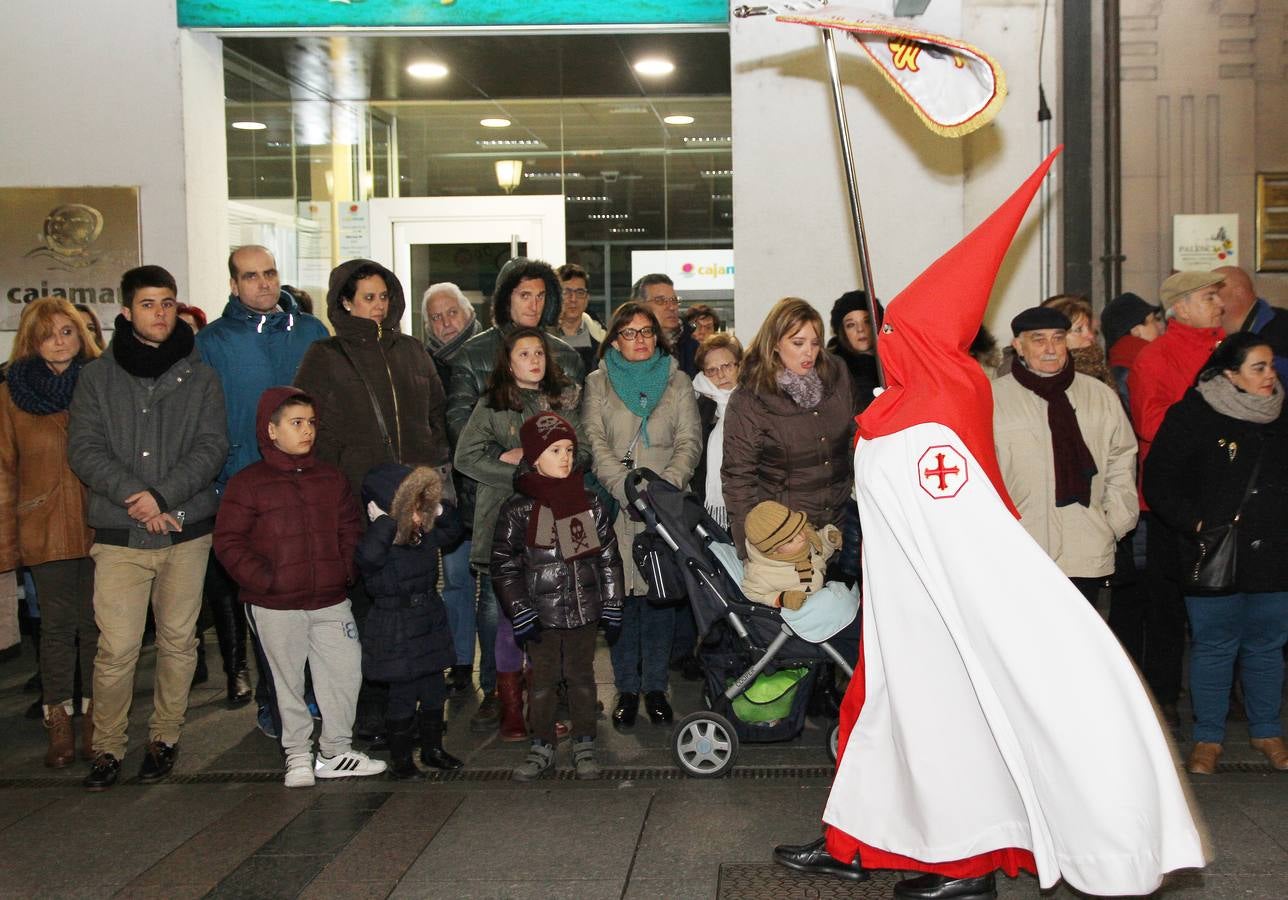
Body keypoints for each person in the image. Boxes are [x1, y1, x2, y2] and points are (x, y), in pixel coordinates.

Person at [774, 153, 1204, 898]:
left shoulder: (933, 411)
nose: (886, 338)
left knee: (949, 723)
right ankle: (857, 839)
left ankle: (966, 866)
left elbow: (944, 508)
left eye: (898, 329)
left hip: (941, 604)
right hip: (902, 596)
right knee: (875, 714)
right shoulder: (922, 398)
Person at [68, 265, 228, 791]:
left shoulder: (199, 373)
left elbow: (211, 448)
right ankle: (108, 747)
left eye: (167, 303)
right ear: (126, 312)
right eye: (148, 304)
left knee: (180, 641)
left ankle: (164, 738)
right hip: (119, 534)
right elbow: (85, 450)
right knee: (117, 648)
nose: (160, 313)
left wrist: (161, 498)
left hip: (184, 530)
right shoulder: (97, 376)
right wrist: (138, 500)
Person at [294, 258, 452, 746]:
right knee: (367, 609)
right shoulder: (324, 356)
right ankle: (370, 709)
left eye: (384, 296)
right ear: (345, 301)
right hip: (358, 502)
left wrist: (435, 484)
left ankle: (414, 706)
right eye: (367, 297)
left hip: (416, 499)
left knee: (416, 599)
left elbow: (436, 419)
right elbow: (314, 434)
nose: (378, 305)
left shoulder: (412, 352)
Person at [214, 387, 384, 787]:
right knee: (285, 681)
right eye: (295, 423)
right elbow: (228, 542)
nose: (306, 431)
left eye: (310, 423)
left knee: (344, 672)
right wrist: (266, 581)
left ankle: (335, 751)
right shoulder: (248, 483)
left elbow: (349, 528)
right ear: (271, 431)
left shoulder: (331, 478)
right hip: (275, 603)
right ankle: (297, 755)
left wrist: (344, 571)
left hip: (330, 598)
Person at [446, 257, 585, 731]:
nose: (534, 303)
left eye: (541, 295)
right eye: (524, 294)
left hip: (558, 515)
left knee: (562, 602)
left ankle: (556, 691)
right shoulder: (479, 370)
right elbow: (465, 448)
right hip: (501, 512)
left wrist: (552, 468)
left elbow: (580, 448)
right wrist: (521, 472)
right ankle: (501, 697)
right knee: (496, 606)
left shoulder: (563, 374)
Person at [1143, 332, 1288, 774]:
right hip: (1216, 552)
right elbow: (1159, 481)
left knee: (1267, 646)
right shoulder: (1193, 414)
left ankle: (1267, 730)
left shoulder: (1283, 413)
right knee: (1214, 645)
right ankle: (1208, 738)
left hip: (1276, 553)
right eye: (1258, 368)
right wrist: (1197, 525)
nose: (1270, 377)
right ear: (1230, 373)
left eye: (1271, 367)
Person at [197, 245, 329, 716]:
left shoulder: (312, 332)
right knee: (267, 606)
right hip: (247, 490)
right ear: (234, 285)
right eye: (250, 276)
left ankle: (318, 700)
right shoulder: (212, 342)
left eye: (269, 272)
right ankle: (275, 707)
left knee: (317, 599)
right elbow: (203, 420)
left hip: (311, 488)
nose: (263, 283)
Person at [582, 302, 701, 729]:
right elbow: (595, 443)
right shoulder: (598, 382)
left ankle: (656, 688)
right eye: (629, 333)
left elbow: (689, 440)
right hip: (618, 507)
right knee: (621, 600)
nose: (640, 340)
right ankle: (626, 689)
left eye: (647, 332)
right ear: (614, 339)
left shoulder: (677, 380)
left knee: (659, 597)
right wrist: (627, 490)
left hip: (665, 508)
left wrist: (661, 491)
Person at [491, 413, 624, 781]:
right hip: (540, 613)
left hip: (583, 608)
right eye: (555, 451)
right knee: (543, 681)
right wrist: (518, 609)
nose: (565, 457)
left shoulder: (588, 503)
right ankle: (542, 744)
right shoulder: (518, 510)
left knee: (582, 677)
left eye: (569, 449)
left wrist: (612, 601)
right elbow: (503, 566)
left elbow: (607, 558)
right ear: (535, 458)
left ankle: (584, 741)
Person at [0, 298, 101, 767]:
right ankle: (58, 717)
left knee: (99, 625)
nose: (59, 341)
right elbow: (4, 471)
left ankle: (97, 717)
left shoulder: (102, 383)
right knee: (59, 627)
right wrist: (7, 542)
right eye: (48, 333)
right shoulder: (10, 394)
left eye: (67, 331)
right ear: (30, 339)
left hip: (102, 520)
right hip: (43, 525)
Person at [1129, 270, 1226, 724]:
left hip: (1225, 496)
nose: (1219, 305)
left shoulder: (1229, 350)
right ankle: (1164, 696)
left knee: (1228, 600)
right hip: (1172, 502)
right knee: (1168, 607)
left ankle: (1228, 698)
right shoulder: (1157, 357)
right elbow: (1150, 424)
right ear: (1181, 307)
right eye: (1209, 297)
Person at [992, 306, 1138, 604]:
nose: (1050, 349)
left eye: (1058, 338)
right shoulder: (992, 399)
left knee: (1085, 648)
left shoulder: (1099, 396)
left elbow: (1122, 458)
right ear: (1018, 345)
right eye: (1038, 339)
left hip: (1087, 546)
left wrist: (1116, 520)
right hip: (1020, 547)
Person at [722, 298, 857, 564]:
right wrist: (750, 550)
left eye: (815, 343)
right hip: (785, 538)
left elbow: (856, 438)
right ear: (774, 344)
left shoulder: (837, 374)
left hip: (839, 527)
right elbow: (739, 478)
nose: (809, 352)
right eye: (798, 343)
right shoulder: (751, 398)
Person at [357, 464, 466, 780]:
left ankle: (433, 749)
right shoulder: (380, 539)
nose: (420, 514)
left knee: (434, 691)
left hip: (427, 619)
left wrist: (436, 506)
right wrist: (386, 523)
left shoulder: (424, 535)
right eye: (414, 507)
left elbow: (454, 529)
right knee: (403, 696)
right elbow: (368, 558)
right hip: (395, 627)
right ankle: (401, 759)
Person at [422, 281, 482, 698]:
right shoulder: (420, 363)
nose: (445, 323)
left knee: (497, 586)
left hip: (488, 482)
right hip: (447, 489)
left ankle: (501, 676)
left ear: (467, 313)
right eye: (436, 317)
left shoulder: (487, 353)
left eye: (452, 313)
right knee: (457, 580)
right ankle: (461, 663)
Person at [740, 500, 842, 609]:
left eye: (799, 530)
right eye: (790, 540)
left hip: (823, 592)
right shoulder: (761, 574)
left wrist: (828, 540)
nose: (802, 537)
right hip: (804, 613)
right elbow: (751, 593)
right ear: (773, 551)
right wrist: (780, 599)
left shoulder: (799, 545)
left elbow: (818, 553)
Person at [691, 333, 743, 528]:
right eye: (712, 370)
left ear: (740, 365)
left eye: (727, 366)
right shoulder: (698, 405)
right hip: (706, 508)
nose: (720, 375)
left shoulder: (756, 401)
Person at [1214, 264, 1288, 384]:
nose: (1213, 303)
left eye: (1215, 294)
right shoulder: (1216, 334)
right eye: (1209, 297)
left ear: (1239, 293)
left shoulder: (1281, 332)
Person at [1102, 291, 1165, 409]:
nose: (1160, 327)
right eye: (1154, 321)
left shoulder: (1119, 369)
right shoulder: (1133, 372)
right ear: (1136, 330)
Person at [634, 273, 699, 378]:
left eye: (674, 300)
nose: (672, 307)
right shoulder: (623, 350)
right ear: (640, 306)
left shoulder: (695, 350)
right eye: (660, 301)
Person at [827, 290, 879, 413]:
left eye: (866, 321)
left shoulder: (897, 361)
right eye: (851, 325)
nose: (860, 329)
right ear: (842, 332)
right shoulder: (833, 372)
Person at [555, 262, 605, 372]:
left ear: (587, 298)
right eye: (566, 292)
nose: (573, 299)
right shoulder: (542, 340)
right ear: (555, 296)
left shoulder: (603, 340)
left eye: (580, 292)